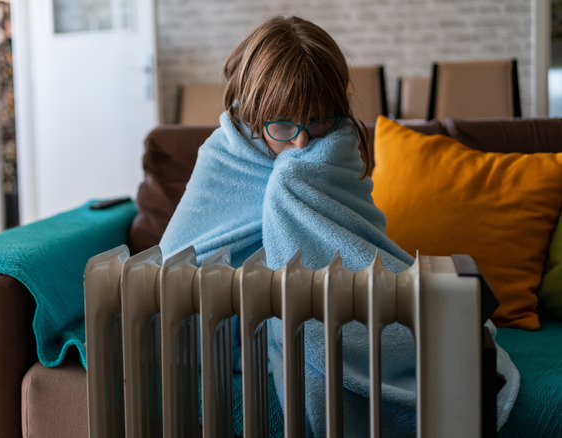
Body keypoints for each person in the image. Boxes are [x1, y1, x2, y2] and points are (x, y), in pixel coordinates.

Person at [159, 16, 518, 437]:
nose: (302, 144)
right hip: (234, 327)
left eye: (317, 121)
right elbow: (177, 265)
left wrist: (291, 180)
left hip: (316, 305)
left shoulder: (337, 149)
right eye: (282, 125)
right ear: (253, 116)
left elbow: (361, 244)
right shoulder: (224, 157)